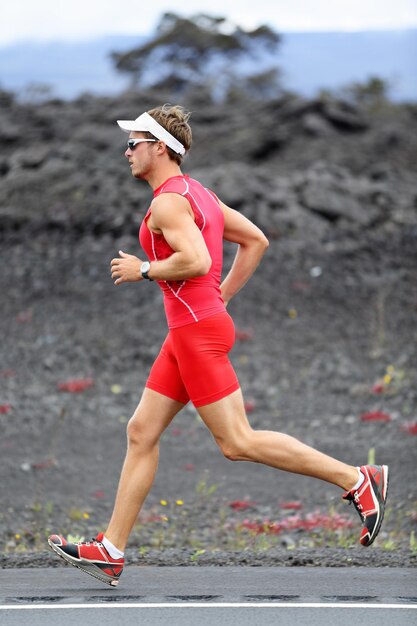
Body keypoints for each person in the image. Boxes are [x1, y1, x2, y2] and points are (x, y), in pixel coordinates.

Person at [48, 104, 389, 587]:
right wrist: (219, 297)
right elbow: (256, 241)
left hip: (196, 332)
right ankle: (111, 549)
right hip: (195, 327)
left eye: (133, 143)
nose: (126, 152)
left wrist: (143, 269)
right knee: (141, 430)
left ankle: (358, 481)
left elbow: (195, 259)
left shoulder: (168, 202)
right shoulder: (200, 194)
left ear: (160, 148)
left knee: (237, 442)